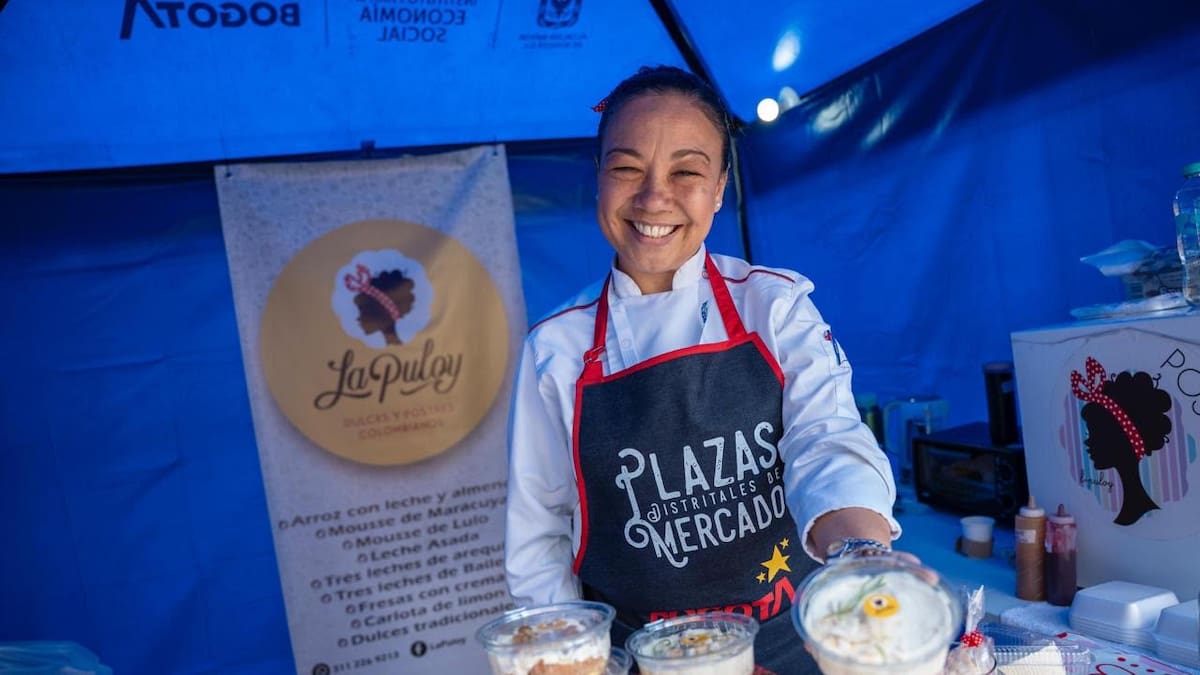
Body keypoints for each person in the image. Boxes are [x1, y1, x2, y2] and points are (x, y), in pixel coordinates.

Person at [503, 65, 901, 674]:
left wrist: (860, 553)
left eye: (686, 171)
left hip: (793, 647)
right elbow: (540, 533)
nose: (653, 197)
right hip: (639, 660)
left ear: (719, 187)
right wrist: (570, 660)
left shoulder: (774, 306)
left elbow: (827, 439)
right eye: (626, 168)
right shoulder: (554, 348)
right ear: (599, 180)